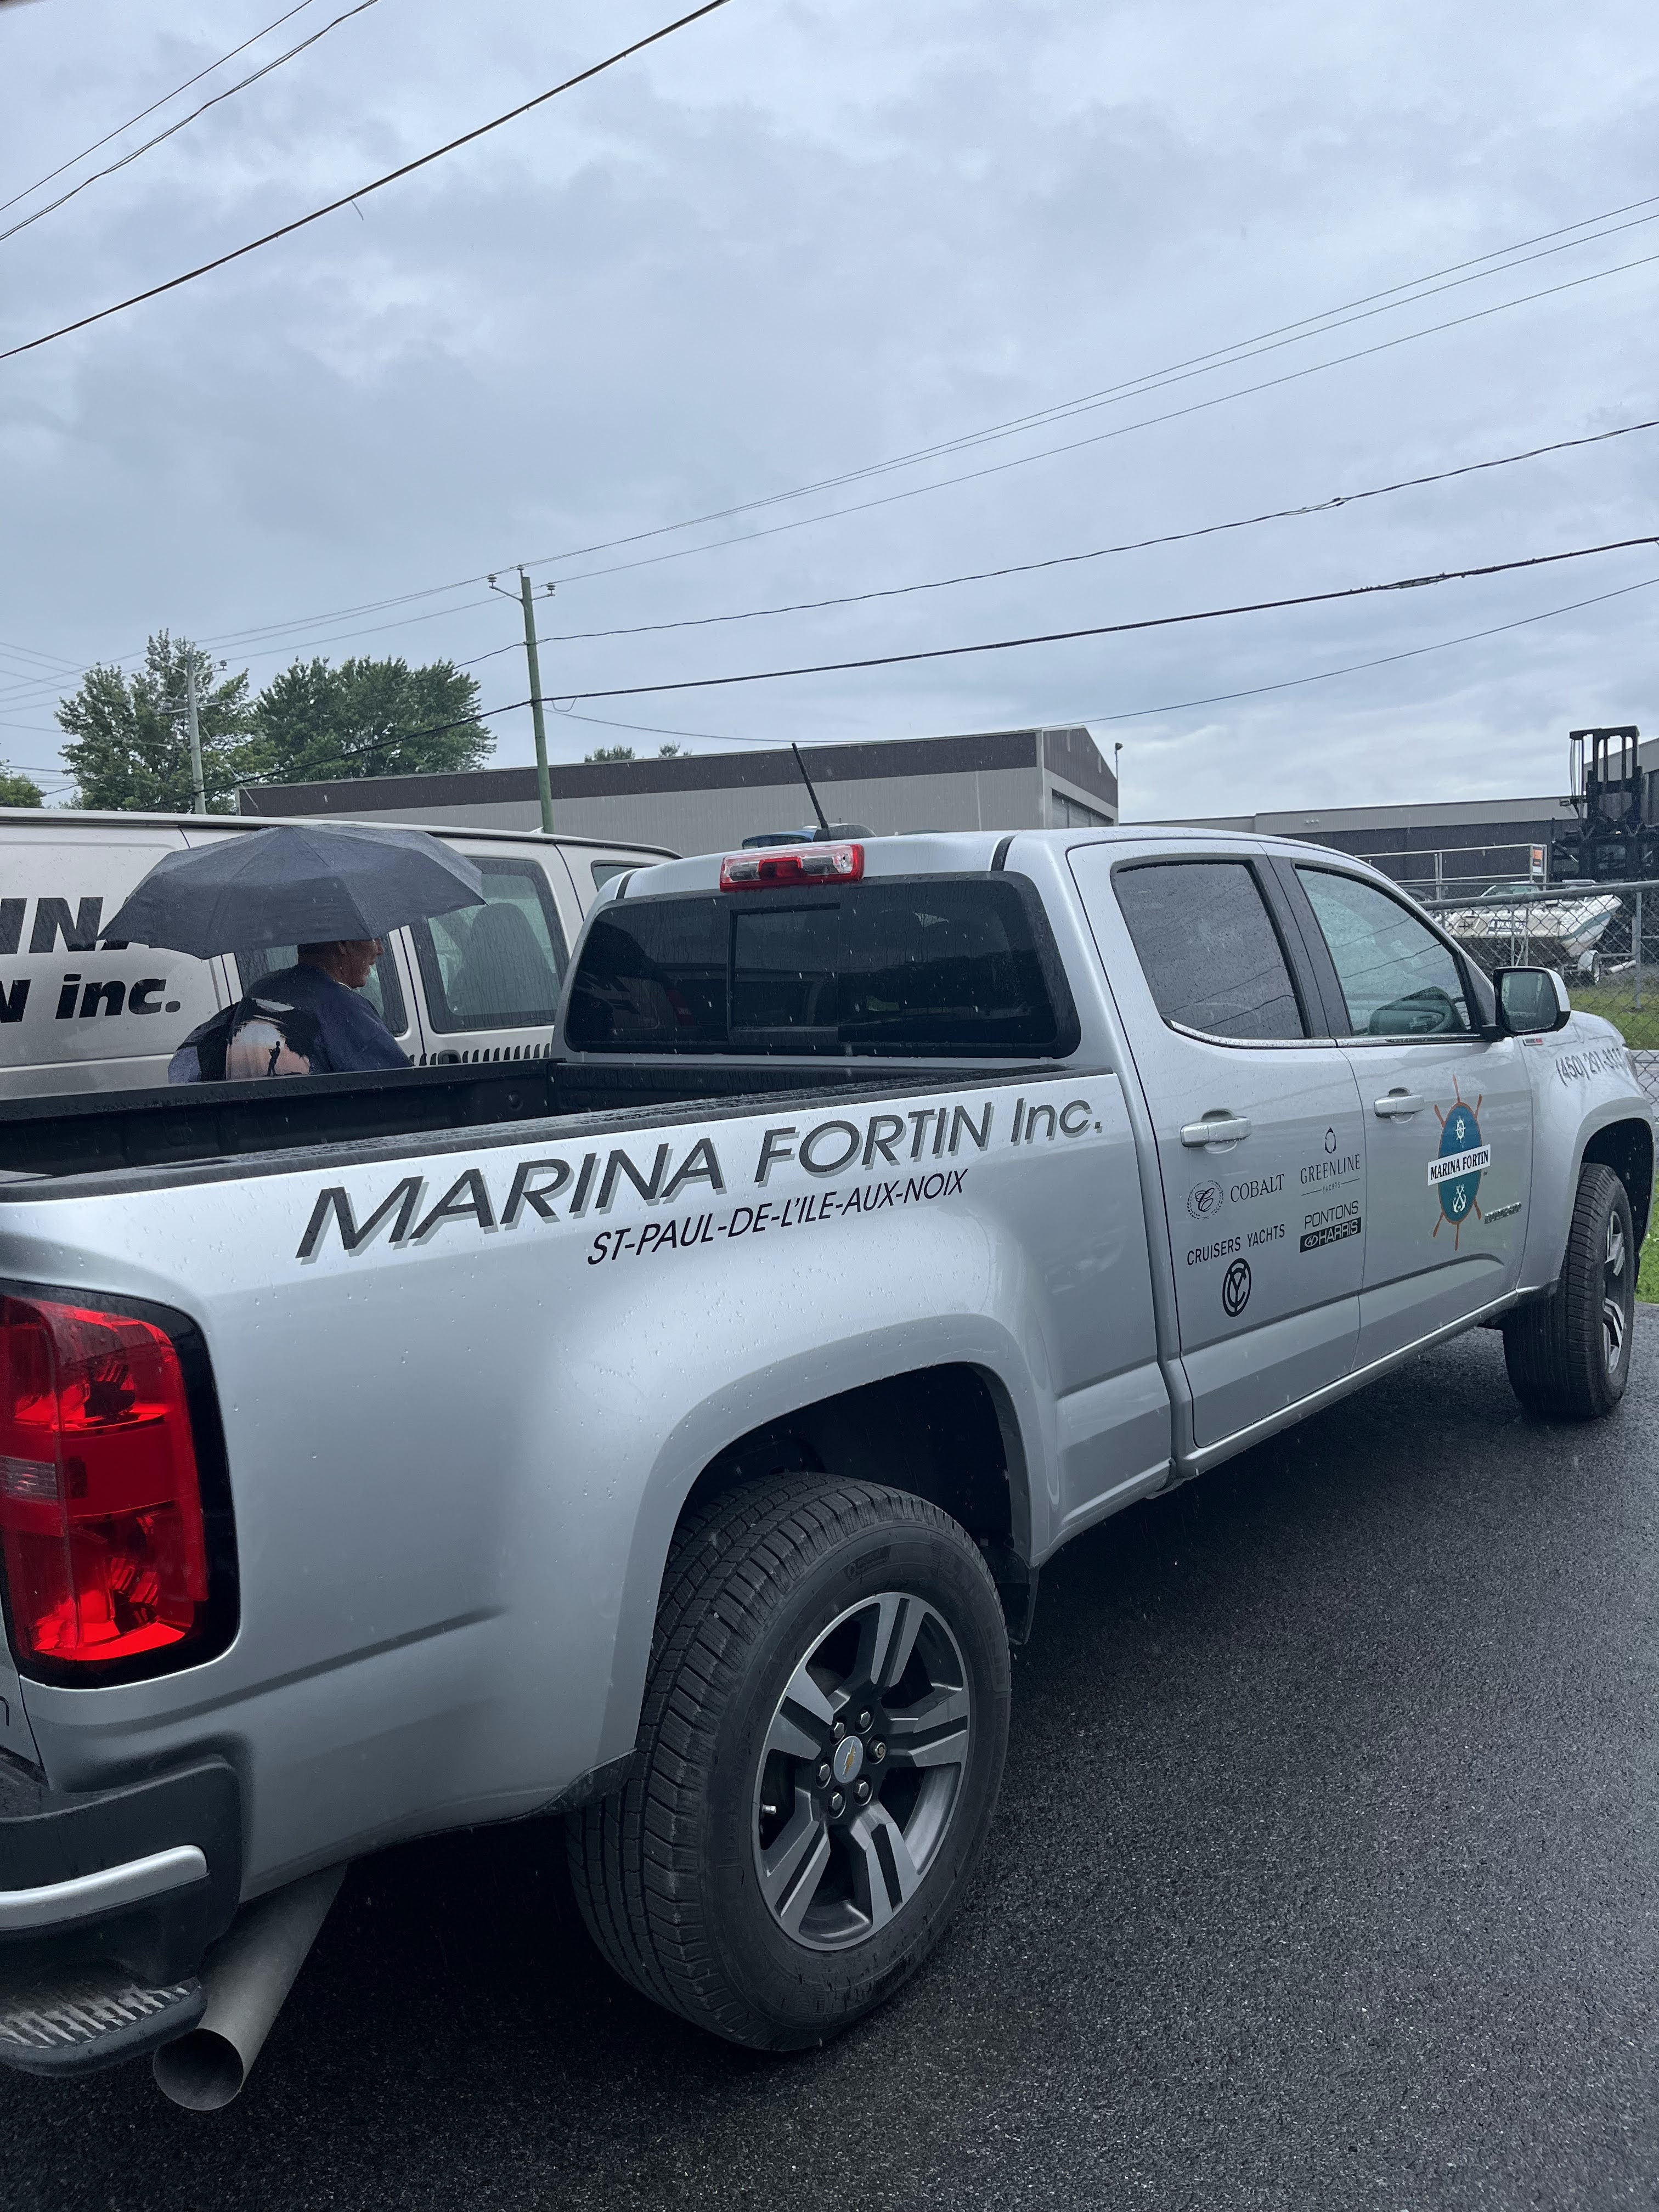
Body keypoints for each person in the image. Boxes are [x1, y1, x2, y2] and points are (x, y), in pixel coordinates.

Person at [168, 939, 411, 1082]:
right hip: (316, 1147)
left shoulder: (261, 990)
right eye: (373, 939)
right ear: (343, 945)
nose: (380, 949)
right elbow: (402, 1088)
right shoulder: (344, 1009)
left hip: (254, 1140)